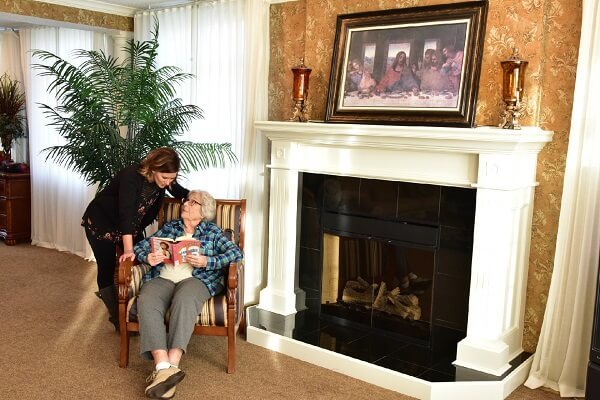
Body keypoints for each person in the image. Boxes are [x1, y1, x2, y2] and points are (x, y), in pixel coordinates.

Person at [133, 190, 243, 399]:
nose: (186, 203)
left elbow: (236, 253)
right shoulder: (170, 227)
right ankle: (165, 367)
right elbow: (140, 246)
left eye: (194, 202)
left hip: (196, 280)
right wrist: (149, 256)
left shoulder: (212, 232)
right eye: (187, 200)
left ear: (203, 213)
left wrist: (206, 261)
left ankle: (171, 364)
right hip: (163, 277)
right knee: (146, 299)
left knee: (185, 300)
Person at [82, 147, 189, 331]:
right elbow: (126, 213)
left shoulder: (165, 178)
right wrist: (128, 250)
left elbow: (180, 191)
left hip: (130, 226)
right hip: (102, 223)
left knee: (143, 262)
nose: (168, 182)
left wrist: (197, 199)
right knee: (107, 267)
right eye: (165, 178)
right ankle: (118, 320)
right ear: (153, 168)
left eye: (172, 178)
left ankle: (137, 310)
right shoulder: (131, 176)